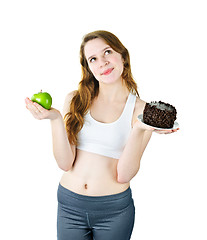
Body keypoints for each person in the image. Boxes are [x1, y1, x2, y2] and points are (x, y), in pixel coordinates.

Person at [25, 30, 179, 240]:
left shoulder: (143, 111)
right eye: (93, 59)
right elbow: (65, 163)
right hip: (69, 207)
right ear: (88, 67)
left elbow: (124, 175)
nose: (103, 62)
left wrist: (139, 129)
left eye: (108, 52)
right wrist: (55, 119)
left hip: (114, 212)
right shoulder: (75, 100)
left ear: (122, 55)